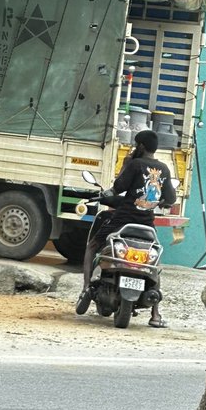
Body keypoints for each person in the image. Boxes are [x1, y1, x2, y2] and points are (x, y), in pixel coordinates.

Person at [79, 128, 177, 328]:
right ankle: (156, 314)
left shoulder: (135, 164)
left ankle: (86, 288)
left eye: (136, 144)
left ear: (141, 146)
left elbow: (118, 188)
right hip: (147, 224)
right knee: (154, 262)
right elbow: (171, 198)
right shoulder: (164, 169)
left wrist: (125, 167)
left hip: (122, 220)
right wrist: (160, 203)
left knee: (92, 245)